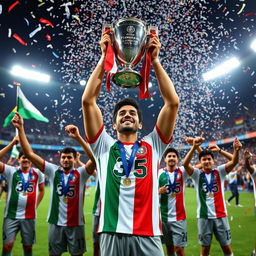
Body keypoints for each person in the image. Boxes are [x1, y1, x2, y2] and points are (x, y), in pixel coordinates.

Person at [82, 31, 179, 256]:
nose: (127, 115)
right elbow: (88, 101)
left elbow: (172, 103)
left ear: (140, 123)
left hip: (149, 234)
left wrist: (154, 61)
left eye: (133, 113)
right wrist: (103, 58)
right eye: (122, 113)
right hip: (111, 234)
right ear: (113, 125)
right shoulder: (103, 145)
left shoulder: (153, 144)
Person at [12, 113, 96, 256]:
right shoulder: (52, 171)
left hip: (76, 224)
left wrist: (78, 138)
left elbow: (95, 159)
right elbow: (29, 153)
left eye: (69, 157)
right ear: (60, 159)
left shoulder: (81, 173)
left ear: (75, 159)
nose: (66, 160)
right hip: (55, 223)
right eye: (63, 157)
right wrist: (21, 128)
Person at [183, 136, 242, 256]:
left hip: (221, 215)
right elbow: (185, 164)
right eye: (203, 160)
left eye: (209, 159)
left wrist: (235, 150)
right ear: (200, 162)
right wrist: (194, 147)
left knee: (226, 247)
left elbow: (234, 161)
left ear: (213, 161)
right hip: (204, 217)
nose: (206, 161)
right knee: (205, 250)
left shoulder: (219, 171)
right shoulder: (197, 175)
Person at [0, 150, 45, 256]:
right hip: (11, 216)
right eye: (23, 157)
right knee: (7, 246)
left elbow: (42, 190)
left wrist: (35, 206)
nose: (25, 160)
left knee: (28, 247)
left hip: (29, 217)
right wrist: (12, 143)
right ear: (19, 159)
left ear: (31, 160)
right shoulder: (11, 171)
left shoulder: (38, 173)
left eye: (28, 157)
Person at [158, 148, 188, 256]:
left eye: (174, 156)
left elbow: (193, 165)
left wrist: (194, 147)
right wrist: (158, 191)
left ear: (178, 159)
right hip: (164, 218)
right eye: (169, 156)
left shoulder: (183, 171)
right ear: (164, 159)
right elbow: (149, 192)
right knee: (169, 249)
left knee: (179, 250)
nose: (171, 158)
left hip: (179, 218)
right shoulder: (159, 173)